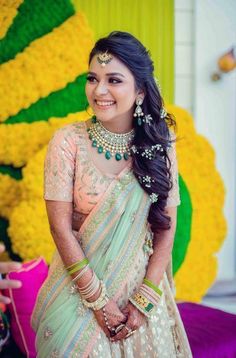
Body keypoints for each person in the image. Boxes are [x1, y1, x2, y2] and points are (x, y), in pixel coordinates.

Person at [31, 31, 192, 357]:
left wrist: (144, 299)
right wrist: (98, 302)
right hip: (76, 297)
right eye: (93, 78)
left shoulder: (159, 145)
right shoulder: (68, 142)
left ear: (140, 91)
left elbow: (166, 227)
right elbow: (60, 228)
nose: (99, 90)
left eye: (113, 80)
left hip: (141, 299)